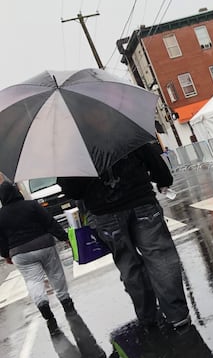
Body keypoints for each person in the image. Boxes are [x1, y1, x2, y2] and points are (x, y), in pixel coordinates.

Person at [58, 142, 190, 332]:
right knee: (160, 256)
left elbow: (73, 191)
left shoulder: (72, 148)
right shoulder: (121, 129)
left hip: (104, 212)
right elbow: (154, 162)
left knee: (128, 265)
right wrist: (162, 180)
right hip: (141, 200)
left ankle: (148, 316)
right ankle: (177, 315)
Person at [0, 181, 75, 335]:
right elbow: (49, 222)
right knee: (55, 273)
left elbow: (1, 239)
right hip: (44, 244)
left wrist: (6, 254)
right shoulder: (32, 205)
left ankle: (43, 305)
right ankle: (65, 300)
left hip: (20, 252)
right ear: (17, 192)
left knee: (32, 280)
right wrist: (63, 237)